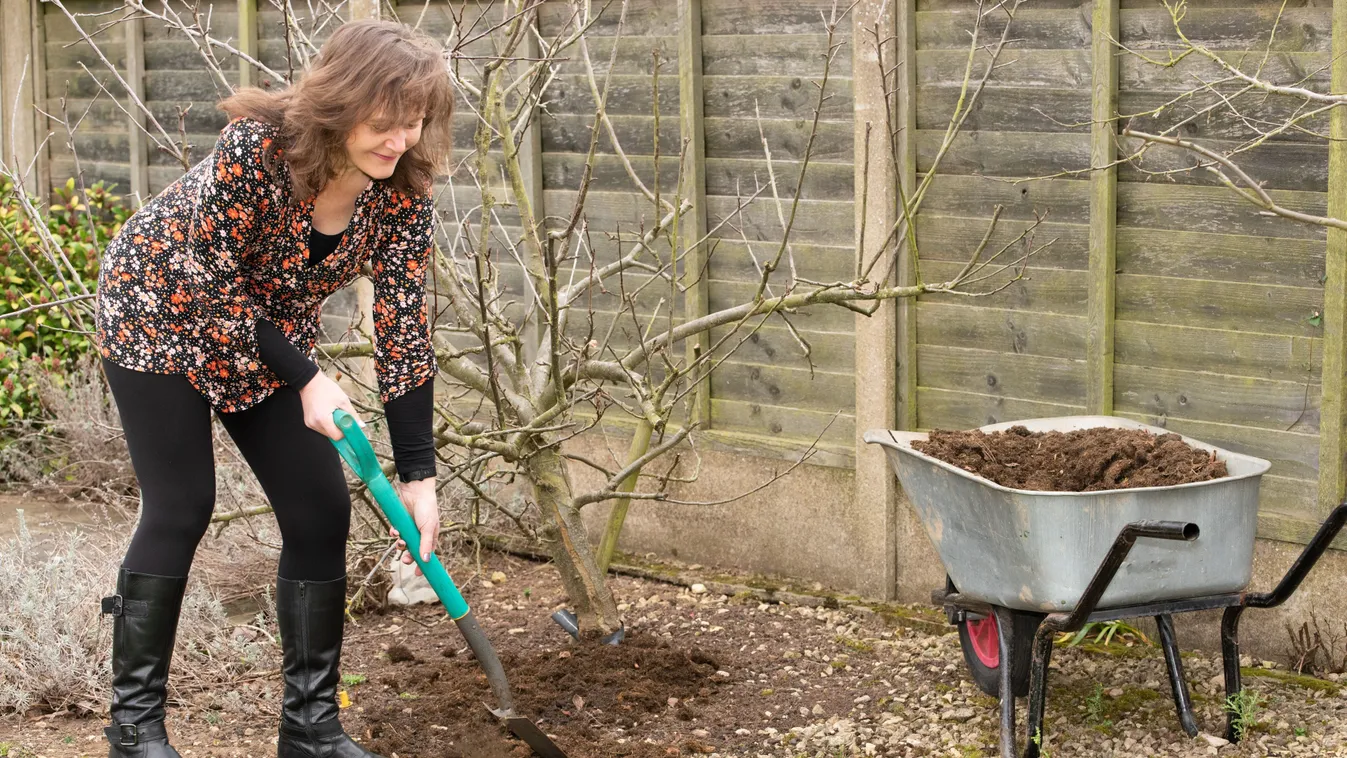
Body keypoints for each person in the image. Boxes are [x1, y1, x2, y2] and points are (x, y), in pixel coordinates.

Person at [92, 19, 452, 758]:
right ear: (342, 104)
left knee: (319, 505)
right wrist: (311, 379)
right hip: (159, 309)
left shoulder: (402, 197)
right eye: (385, 122)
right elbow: (214, 281)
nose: (401, 140)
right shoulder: (258, 151)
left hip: (265, 337)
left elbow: (405, 331)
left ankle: (311, 729)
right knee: (183, 502)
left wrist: (420, 475)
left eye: (414, 122)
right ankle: (133, 729)